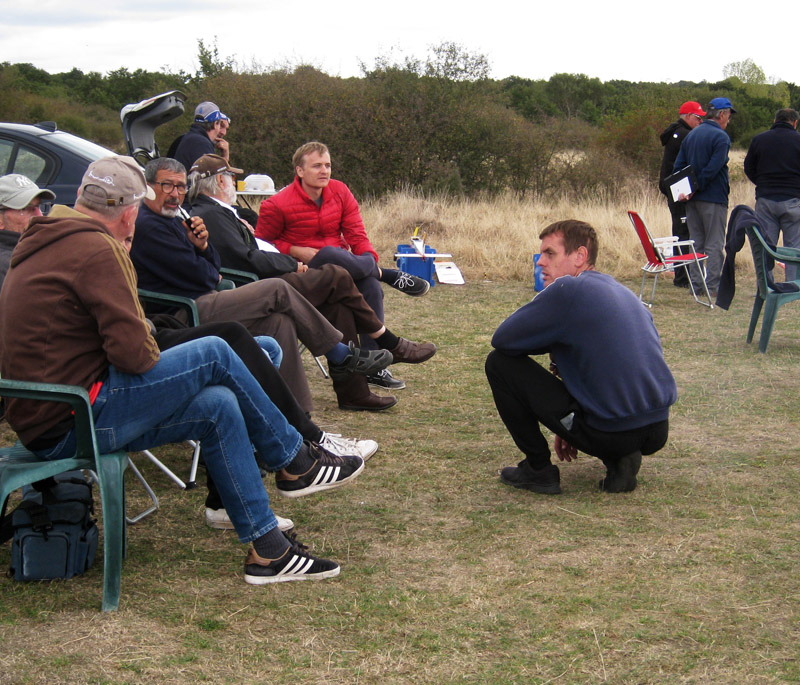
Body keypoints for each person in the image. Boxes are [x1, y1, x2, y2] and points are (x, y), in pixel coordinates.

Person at [0, 155, 365, 583]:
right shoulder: (97, 248)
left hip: (49, 412)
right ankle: (294, 459)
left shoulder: (44, 239)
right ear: (131, 212)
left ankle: (268, 551)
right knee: (215, 349)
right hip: (73, 416)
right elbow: (136, 356)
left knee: (218, 404)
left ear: (80, 197)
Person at [130, 157, 395, 414]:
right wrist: (209, 264)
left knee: (280, 321)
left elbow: (211, 265)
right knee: (283, 288)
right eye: (167, 185)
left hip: (207, 297)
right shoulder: (151, 227)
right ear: (148, 188)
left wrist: (203, 247)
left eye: (180, 186)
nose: (175, 193)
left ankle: (297, 417)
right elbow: (206, 276)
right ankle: (343, 355)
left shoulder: (176, 219)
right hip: (185, 311)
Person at [187, 153, 437, 409]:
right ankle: (388, 338)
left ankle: (354, 393)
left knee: (341, 301)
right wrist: (292, 260)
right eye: (231, 177)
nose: (234, 183)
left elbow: (355, 233)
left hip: (284, 275)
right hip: (264, 285)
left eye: (328, 164)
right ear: (220, 181)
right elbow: (246, 259)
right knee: (335, 272)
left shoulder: (224, 212)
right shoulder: (213, 214)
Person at [485, 220, 677, 495]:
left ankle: (538, 470)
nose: (540, 262)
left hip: (611, 431)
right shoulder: (623, 292)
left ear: (580, 256)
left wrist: (565, 418)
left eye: (550, 253)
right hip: (657, 428)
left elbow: (502, 340)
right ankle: (620, 460)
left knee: (499, 363)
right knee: (612, 415)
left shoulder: (568, 290)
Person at [255, 141, 430, 392]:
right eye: (316, 166)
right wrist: (293, 250)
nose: (324, 171)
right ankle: (388, 275)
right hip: (305, 275)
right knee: (329, 253)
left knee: (369, 285)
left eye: (327, 165)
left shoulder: (340, 191)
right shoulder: (276, 204)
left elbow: (356, 235)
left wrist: (369, 257)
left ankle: (373, 363)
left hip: (343, 267)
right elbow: (263, 246)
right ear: (300, 171)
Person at [673, 97, 736, 296]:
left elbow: (678, 167)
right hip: (713, 198)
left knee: (696, 242)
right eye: (729, 115)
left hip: (691, 200)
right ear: (722, 114)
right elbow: (713, 168)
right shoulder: (721, 137)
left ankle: (697, 286)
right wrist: (696, 187)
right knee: (715, 244)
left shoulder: (691, 135)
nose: (729, 120)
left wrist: (685, 191)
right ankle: (712, 287)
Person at [744, 108, 800, 281]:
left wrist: (762, 184)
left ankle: (766, 285)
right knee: (794, 248)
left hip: (766, 199)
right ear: (795, 123)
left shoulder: (760, 139)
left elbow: (749, 167)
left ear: (775, 121)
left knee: (766, 246)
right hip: (793, 199)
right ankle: (793, 285)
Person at [658, 101, 706, 288]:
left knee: (680, 230)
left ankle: (682, 274)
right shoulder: (684, 135)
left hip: (674, 189)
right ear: (687, 116)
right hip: (678, 191)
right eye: (698, 117)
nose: (700, 121)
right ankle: (682, 277)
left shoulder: (677, 132)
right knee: (683, 231)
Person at [0, 174, 55, 288]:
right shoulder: (7, 267)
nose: (39, 215)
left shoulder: (34, 250)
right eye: (25, 208)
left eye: (39, 207)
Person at [169, 101, 230, 172]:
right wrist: (225, 158)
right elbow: (212, 180)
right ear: (215, 124)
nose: (223, 132)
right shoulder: (202, 144)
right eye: (220, 125)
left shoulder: (189, 138)